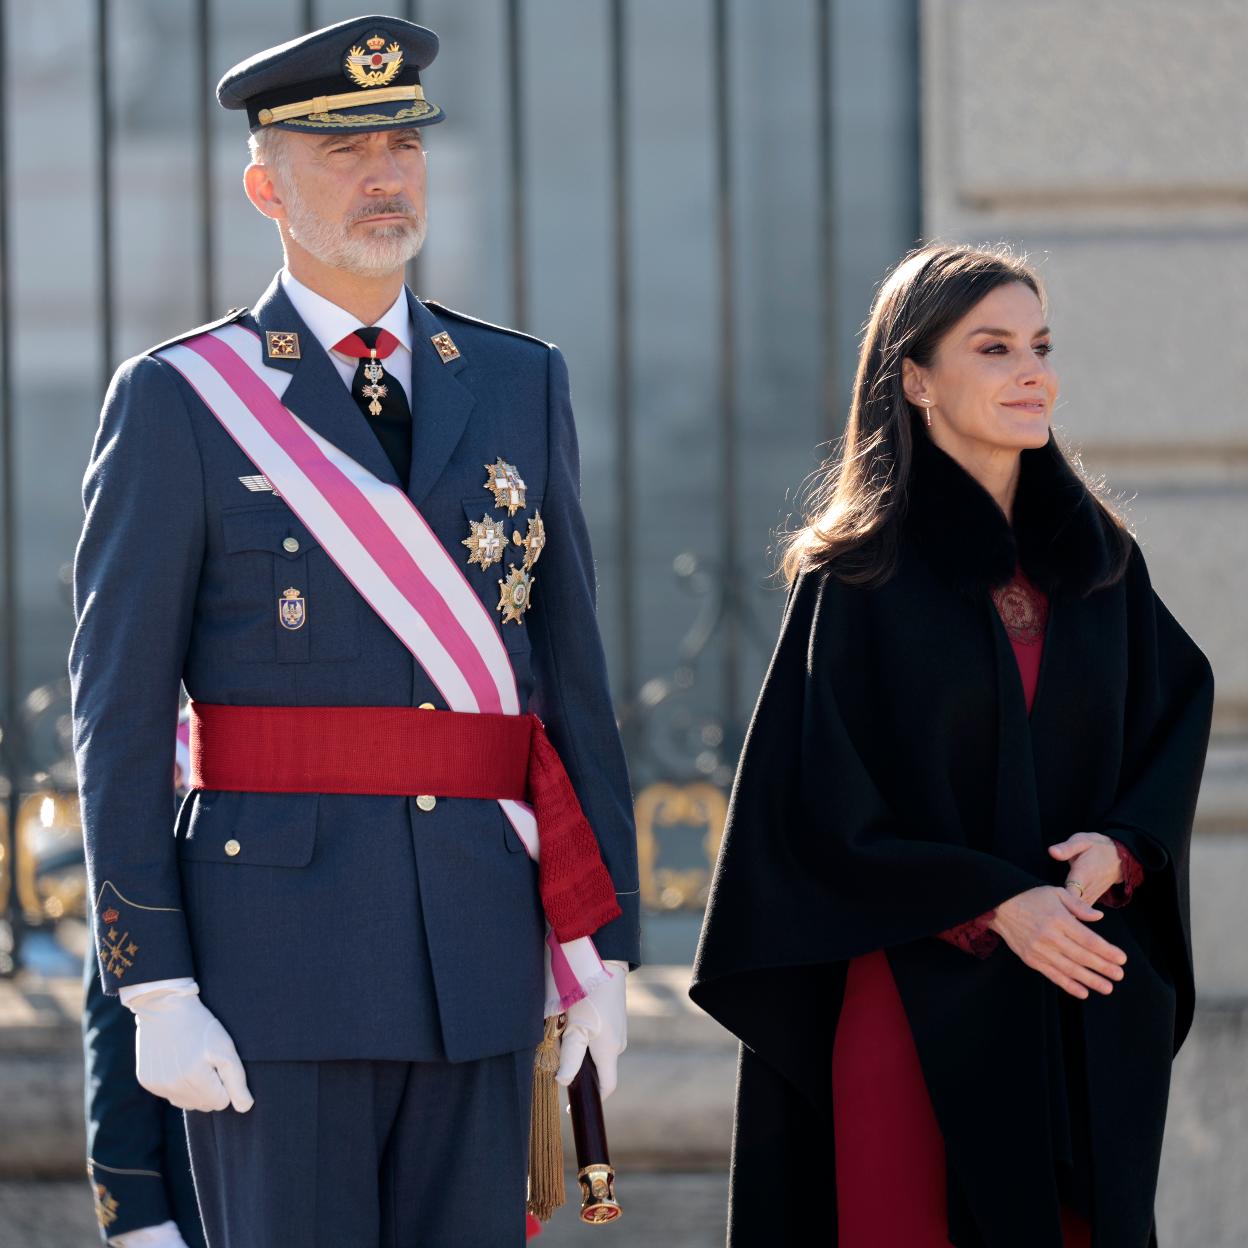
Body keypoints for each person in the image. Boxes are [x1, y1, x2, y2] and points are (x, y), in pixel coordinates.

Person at [69, 14, 639, 1247]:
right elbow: (116, 716)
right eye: (344, 151)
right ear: (266, 185)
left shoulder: (518, 380)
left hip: (479, 959)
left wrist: (608, 944)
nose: (384, 173)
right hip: (274, 970)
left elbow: (569, 678)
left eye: (402, 143)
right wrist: (152, 982)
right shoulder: (182, 399)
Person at [690, 242, 1213, 1247]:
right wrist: (993, 900)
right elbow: (818, 814)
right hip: (913, 1005)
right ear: (917, 378)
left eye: (1041, 344)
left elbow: (1175, 720)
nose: (1033, 372)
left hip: (1073, 989)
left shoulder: (1101, 566)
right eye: (994, 347)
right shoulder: (858, 582)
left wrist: (1124, 846)